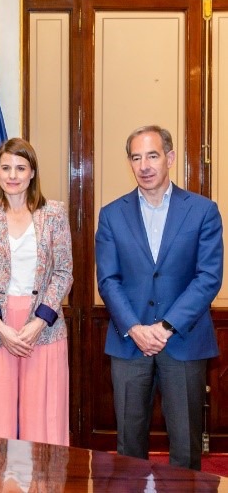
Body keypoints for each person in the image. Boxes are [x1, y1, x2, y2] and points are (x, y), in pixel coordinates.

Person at [95, 125, 223, 470]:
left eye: (152, 156)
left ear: (169, 158)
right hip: (128, 343)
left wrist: (166, 327)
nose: (144, 165)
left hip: (184, 340)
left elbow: (208, 277)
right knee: (129, 445)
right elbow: (108, 280)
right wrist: (135, 328)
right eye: (136, 158)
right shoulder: (111, 214)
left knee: (185, 446)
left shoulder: (202, 210)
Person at [0, 137, 73, 446]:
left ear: (32, 173)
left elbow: (64, 272)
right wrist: (0, 327)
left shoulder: (54, 214)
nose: (12, 175)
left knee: (44, 422)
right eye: (6, 168)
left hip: (44, 327)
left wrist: (38, 322)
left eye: (20, 168)